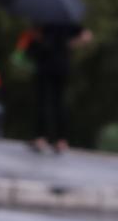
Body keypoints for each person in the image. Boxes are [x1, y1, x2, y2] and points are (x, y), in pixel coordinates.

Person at [29, 22, 91, 154]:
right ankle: (61, 141)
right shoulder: (67, 19)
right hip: (62, 65)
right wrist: (70, 44)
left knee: (43, 101)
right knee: (59, 102)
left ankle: (41, 138)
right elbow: (86, 36)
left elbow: (35, 36)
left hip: (46, 64)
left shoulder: (44, 18)